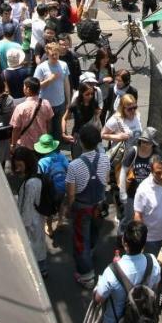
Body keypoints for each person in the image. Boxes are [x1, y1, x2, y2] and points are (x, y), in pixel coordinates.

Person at [93, 219, 161, 323]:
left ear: (124, 242)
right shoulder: (153, 263)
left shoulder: (112, 271)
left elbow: (99, 297)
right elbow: (154, 286)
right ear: (144, 244)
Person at [66, 123, 111, 288]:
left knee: (80, 239)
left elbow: (71, 193)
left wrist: (70, 208)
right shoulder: (105, 159)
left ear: (81, 142)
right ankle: (90, 251)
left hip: (82, 207)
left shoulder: (74, 165)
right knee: (94, 231)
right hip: (98, 204)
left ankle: (87, 275)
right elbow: (105, 181)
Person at [11, 146, 49, 276]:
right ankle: (42, 269)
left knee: (33, 248)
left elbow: (27, 208)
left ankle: (39, 272)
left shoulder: (31, 183)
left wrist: (21, 226)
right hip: (38, 217)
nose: (18, 169)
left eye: (20, 165)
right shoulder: (37, 171)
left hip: (31, 221)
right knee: (39, 245)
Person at [33, 41, 71, 140]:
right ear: (47, 54)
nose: (54, 57)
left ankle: (57, 148)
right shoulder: (41, 67)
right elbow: (36, 86)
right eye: (51, 55)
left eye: (56, 54)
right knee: (46, 130)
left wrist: (68, 100)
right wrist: (49, 80)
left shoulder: (63, 65)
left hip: (60, 103)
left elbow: (66, 83)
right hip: (46, 104)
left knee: (58, 128)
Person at [120, 126, 158, 220]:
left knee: (141, 221)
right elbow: (123, 171)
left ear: (153, 144)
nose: (144, 144)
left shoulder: (155, 155)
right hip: (131, 194)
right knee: (128, 219)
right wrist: (123, 192)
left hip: (147, 195)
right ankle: (121, 233)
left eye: (148, 142)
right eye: (143, 141)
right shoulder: (133, 151)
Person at [36, 133, 70, 235]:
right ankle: (60, 221)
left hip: (50, 190)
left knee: (49, 209)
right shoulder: (61, 156)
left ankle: (49, 228)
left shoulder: (41, 162)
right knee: (61, 204)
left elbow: (40, 177)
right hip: (63, 186)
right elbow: (68, 168)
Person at [9, 77, 53, 155]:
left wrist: (13, 144)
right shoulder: (46, 103)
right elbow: (49, 123)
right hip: (43, 144)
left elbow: (16, 129)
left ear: (28, 89)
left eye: (24, 87)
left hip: (27, 146)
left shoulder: (20, 108)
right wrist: (47, 136)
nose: (23, 88)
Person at [64, 71, 101, 143]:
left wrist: (96, 122)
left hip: (91, 133)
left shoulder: (95, 97)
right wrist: (63, 133)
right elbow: (66, 117)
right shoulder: (75, 100)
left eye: (92, 83)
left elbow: (98, 110)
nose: (90, 96)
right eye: (89, 83)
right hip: (78, 134)